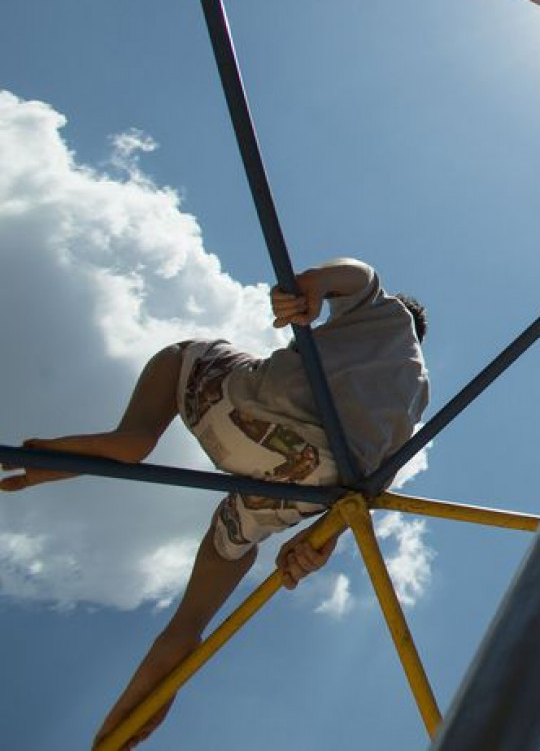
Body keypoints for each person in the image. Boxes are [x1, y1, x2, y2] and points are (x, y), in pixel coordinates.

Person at [1, 259, 429, 747]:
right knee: (227, 548)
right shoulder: (415, 402)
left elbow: (359, 275)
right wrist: (313, 546)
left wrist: (312, 286)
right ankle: (178, 642)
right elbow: (366, 492)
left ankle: (133, 435)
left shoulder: (385, 313)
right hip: (310, 478)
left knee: (185, 355)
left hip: (250, 410)